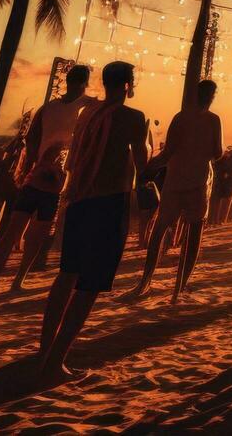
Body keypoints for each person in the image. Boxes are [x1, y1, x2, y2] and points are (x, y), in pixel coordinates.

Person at [37, 61, 148, 384]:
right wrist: (168, 158)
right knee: (89, 286)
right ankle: (56, 361)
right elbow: (143, 166)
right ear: (128, 84)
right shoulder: (132, 117)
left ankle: (45, 351)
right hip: (108, 202)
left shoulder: (89, 115)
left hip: (79, 200)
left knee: (66, 277)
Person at [0, 65, 95, 298]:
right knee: (34, 234)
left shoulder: (50, 107)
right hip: (55, 181)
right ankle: (16, 280)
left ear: (67, 80)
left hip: (37, 178)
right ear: (86, 81)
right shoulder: (88, 106)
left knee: (15, 231)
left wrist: (35, 162)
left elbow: (32, 139)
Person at [124, 79, 220, 303]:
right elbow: (218, 152)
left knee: (160, 230)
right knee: (194, 231)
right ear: (211, 97)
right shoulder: (213, 120)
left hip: (176, 178)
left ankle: (145, 281)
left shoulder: (180, 117)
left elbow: (168, 153)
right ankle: (181, 285)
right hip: (198, 180)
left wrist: (149, 168)